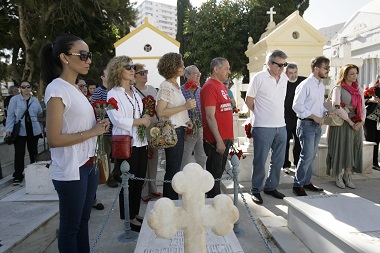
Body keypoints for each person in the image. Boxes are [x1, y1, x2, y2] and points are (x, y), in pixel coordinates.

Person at [40, 33, 110, 252]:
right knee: (71, 227)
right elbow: (54, 138)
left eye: (89, 55)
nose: (88, 60)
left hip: (86, 165)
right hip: (71, 169)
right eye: (83, 55)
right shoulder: (56, 89)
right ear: (64, 57)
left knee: (83, 222)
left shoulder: (75, 89)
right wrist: (92, 131)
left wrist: (98, 126)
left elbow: (78, 126)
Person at [106, 55, 150, 232]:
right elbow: (116, 119)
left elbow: (141, 113)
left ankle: (135, 212)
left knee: (139, 180)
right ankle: (128, 217)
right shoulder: (113, 94)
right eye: (128, 67)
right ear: (118, 70)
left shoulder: (134, 92)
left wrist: (145, 117)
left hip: (140, 141)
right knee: (128, 182)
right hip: (126, 143)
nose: (133, 70)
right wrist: (140, 121)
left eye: (133, 67)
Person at [245, 50, 288, 205]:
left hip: (281, 126)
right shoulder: (259, 77)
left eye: (284, 65)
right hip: (263, 126)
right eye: (279, 65)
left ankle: (271, 186)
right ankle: (255, 189)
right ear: (269, 63)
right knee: (260, 160)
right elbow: (249, 100)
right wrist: (260, 114)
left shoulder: (284, 78)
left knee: (279, 160)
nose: (282, 68)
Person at [156, 52, 196, 200]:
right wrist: (185, 106)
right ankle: (170, 203)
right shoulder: (166, 86)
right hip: (172, 131)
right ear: (173, 66)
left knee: (175, 168)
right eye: (181, 64)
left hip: (178, 129)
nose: (183, 66)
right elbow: (161, 111)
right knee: (173, 169)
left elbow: (174, 109)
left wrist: (186, 120)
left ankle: (171, 201)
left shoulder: (174, 85)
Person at [292, 56, 330, 196]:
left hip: (317, 126)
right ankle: (298, 184)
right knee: (306, 155)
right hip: (306, 124)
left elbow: (318, 105)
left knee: (311, 156)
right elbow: (296, 106)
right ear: (316, 69)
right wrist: (314, 116)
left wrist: (327, 112)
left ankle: (306, 182)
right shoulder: (306, 84)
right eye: (326, 68)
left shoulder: (321, 84)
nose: (328, 70)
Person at [326, 64, 365, 189]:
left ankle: (348, 175)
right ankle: (338, 174)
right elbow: (336, 106)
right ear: (345, 75)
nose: (355, 76)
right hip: (342, 123)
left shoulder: (358, 89)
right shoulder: (338, 88)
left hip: (356, 123)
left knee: (352, 149)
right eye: (352, 74)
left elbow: (363, 108)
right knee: (341, 148)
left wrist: (361, 122)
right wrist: (350, 122)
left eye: (356, 73)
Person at [200, 57, 233, 198]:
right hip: (215, 140)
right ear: (216, 69)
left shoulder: (222, 86)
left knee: (219, 174)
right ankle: (214, 204)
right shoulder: (209, 87)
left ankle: (216, 203)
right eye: (226, 68)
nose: (229, 72)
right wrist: (219, 140)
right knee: (214, 175)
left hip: (225, 138)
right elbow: (209, 116)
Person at [133, 63, 162, 202]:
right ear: (134, 75)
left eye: (146, 72)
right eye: (141, 73)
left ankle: (153, 189)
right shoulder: (132, 91)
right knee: (143, 160)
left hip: (154, 127)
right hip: (141, 128)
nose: (145, 75)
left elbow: (157, 108)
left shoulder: (152, 89)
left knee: (154, 159)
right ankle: (143, 191)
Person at [5, 80, 42, 185]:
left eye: (28, 86)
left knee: (34, 153)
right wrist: (9, 130)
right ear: (20, 89)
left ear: (31, 88)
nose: (26, 89)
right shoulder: (15, 100)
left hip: (33, 130)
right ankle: (18, 175)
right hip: (20, 130)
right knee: (19, 154)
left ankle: (35, 173)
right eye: (23, 87)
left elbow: (40, 114)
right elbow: (11, 115)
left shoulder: (34, 100)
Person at [91, 67, 119, 188]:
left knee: (118, 153)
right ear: (102, 77)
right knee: (106, 154)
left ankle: (117, 172)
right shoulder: (98, 91)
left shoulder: (116, 90)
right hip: (105, 128)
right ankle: (109, 176)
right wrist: (109, 109)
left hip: (116, 128)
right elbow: (95, 108)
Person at [180, 65, 207, 171]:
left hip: (200, 127)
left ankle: (200, 176)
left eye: (199, 74)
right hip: (188, 128)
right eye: (195, 73)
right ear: (187, 75)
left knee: (201, 156)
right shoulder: (181, 91)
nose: (198, 76)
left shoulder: (200, 90)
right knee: (186, 155)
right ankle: (183, 179)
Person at [283, 63, 306, 174]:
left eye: (295, 72)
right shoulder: (282, 82)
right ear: (286, 73)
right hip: (285, 117)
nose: (293, 75)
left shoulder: (303, 81)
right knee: (285, 142)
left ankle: (297, 164)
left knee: (298, 142)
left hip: (298, 116)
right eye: (290, 73)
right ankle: (285, 165)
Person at [364, 75, 380, 171]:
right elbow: (362, 100)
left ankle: (375, 162)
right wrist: (371, 100)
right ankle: (367, 163)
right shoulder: (373, 89)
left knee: (377, 140)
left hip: (378, 120)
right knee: (370, 139)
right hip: (369, 118)